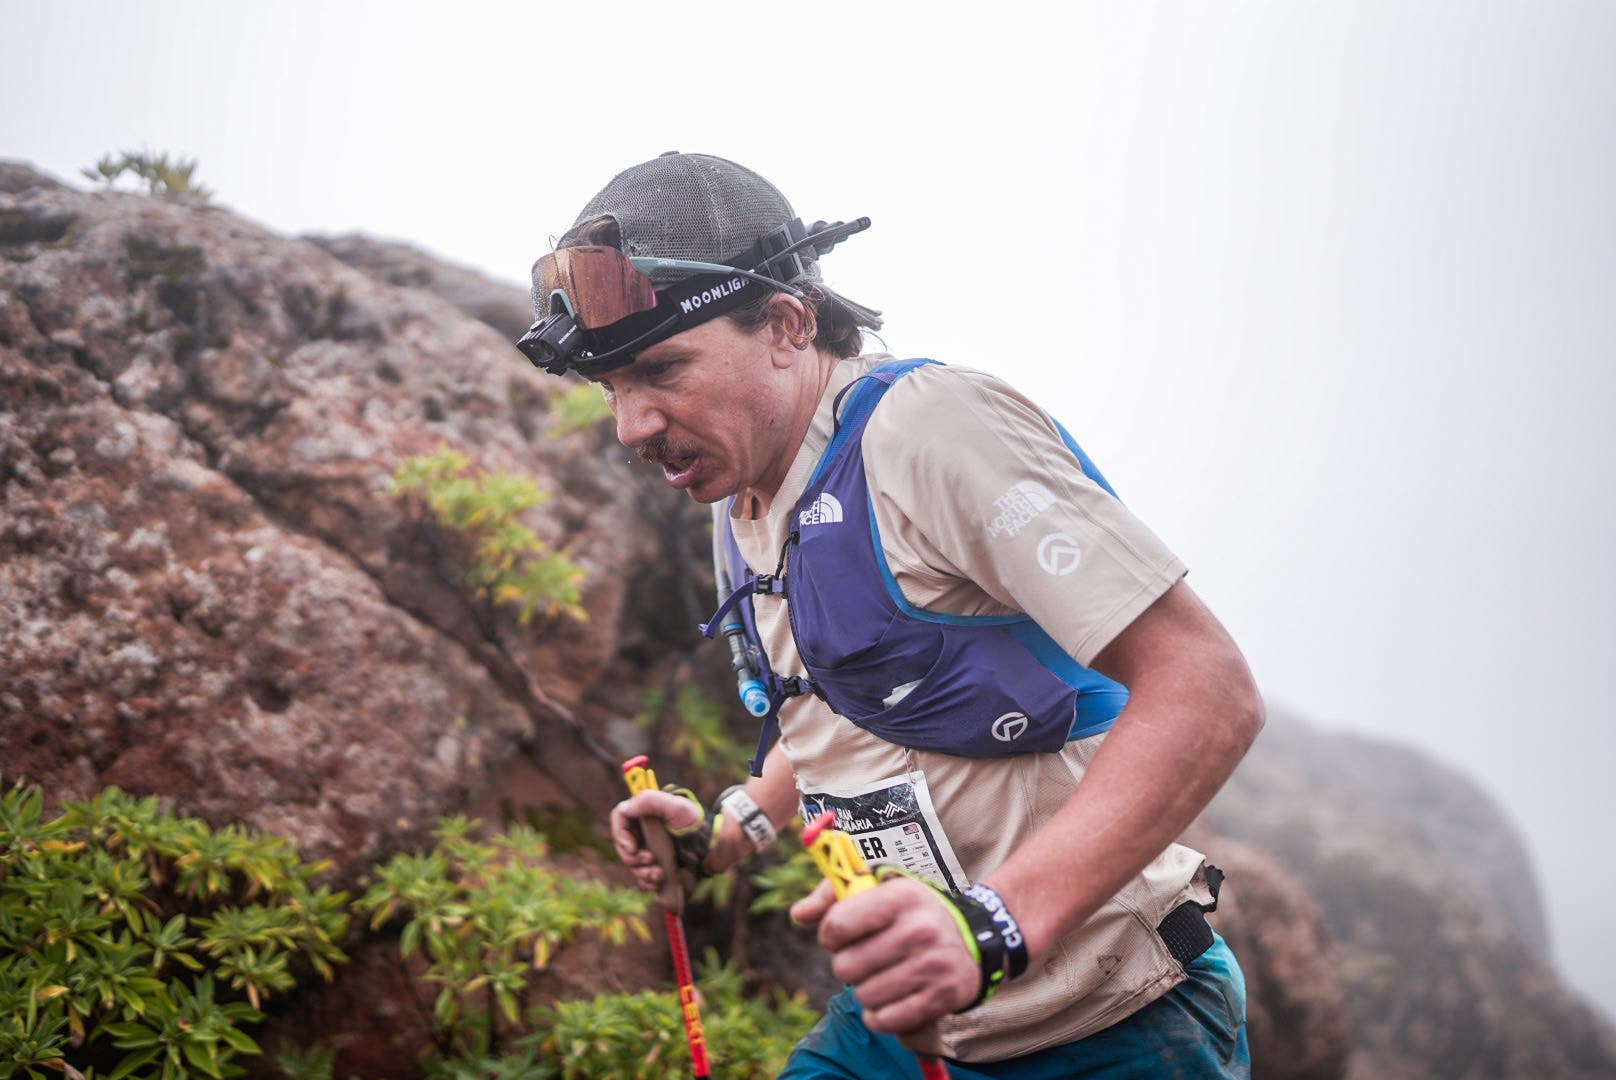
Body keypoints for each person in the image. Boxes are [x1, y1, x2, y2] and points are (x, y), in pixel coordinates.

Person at [516, 151, 1264, 1078]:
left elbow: (1207, 688)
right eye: (611, 388)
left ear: (786, 324)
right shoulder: (740, 495)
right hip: (908, 1025)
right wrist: (723, 832)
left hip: (1112, 1021)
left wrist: (991, 926)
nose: (633, 425)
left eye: (662, 368)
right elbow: (841, 705)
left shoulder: (928, 429)